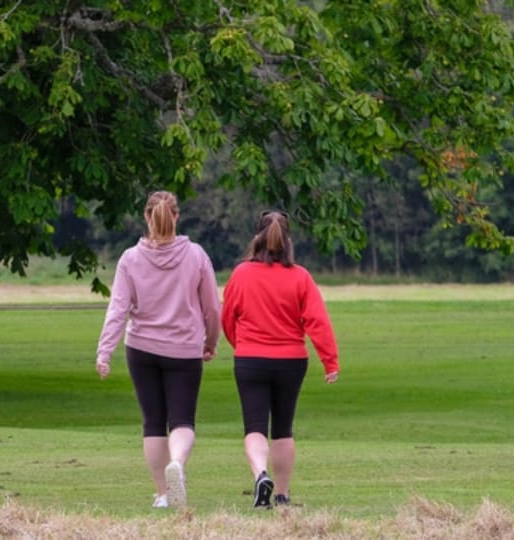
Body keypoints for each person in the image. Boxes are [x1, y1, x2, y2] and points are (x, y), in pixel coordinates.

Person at [95, 191, 221, 509]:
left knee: (153, 423)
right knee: (182, 421)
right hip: (184, 349)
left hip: (141, 349)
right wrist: (211, 342)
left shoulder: (130, 259)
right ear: (176, 216)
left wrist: (104, 352)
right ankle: (177, 463)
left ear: (146, 217)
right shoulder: (196, 255)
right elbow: (212, 308)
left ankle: (164, 494)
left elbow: (117, 309)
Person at [221, 210, 339, 509]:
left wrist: (241, 343)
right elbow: (318, 322)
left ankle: (261, 475)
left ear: (256, 239)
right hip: (291, 360)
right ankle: (283, 494)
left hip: (250, 359)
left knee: (255, 427)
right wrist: (330, 362)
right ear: (287, 241)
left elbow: (228, 317)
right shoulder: (301, 277)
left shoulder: (241, 274)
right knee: (283, 428)